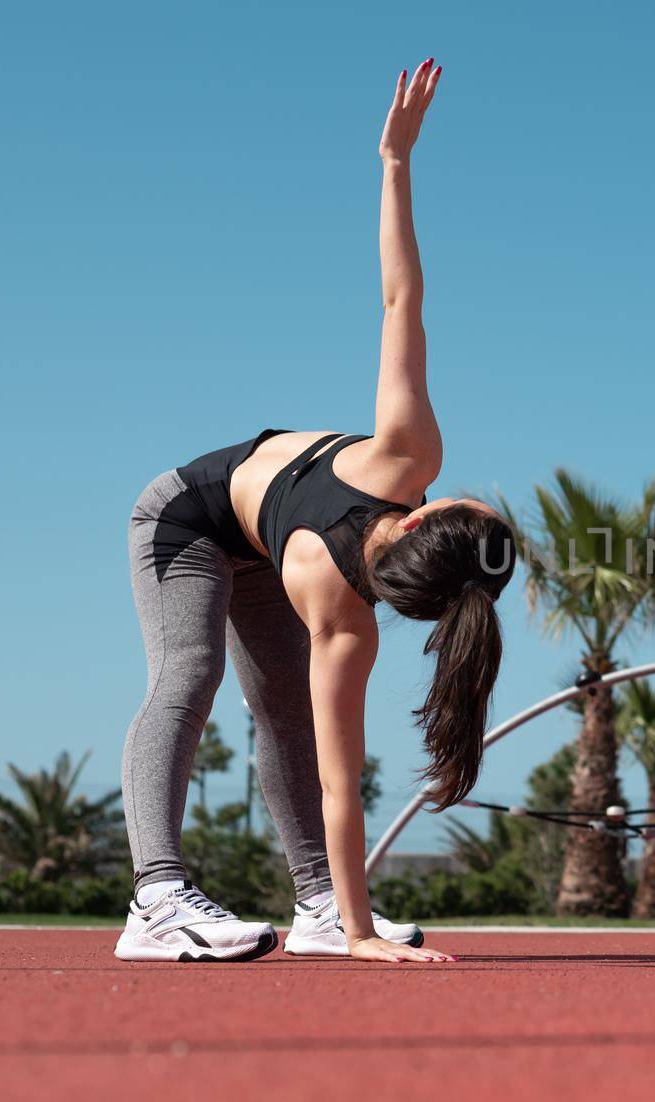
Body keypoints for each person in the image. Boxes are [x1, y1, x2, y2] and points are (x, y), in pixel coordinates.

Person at [114, 59, 514, 963]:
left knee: (262, 704)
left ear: (421, 517)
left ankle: (242, 911)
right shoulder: (352, 621)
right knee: (195, 671)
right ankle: (169, 887)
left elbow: (401, 298)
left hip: (193, 521)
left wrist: (395, 162)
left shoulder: (405, 462)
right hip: (196, 519)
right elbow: (346, 786)